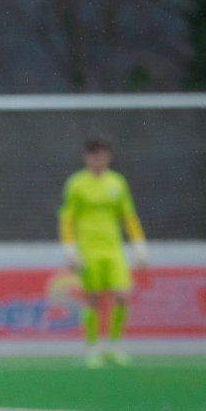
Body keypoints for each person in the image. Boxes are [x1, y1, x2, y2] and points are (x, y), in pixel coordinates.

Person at [58, 137, 147, 368]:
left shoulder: (117, 183)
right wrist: (69, 249)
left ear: (108, 157)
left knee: (122, 295)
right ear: (86, 157)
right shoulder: (76, 184)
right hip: (88, 250)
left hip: (113, 249)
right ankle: (93, 348)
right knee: (92, 299)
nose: (98, 160)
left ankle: (114, 346)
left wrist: (138, 244)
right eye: (94, 155)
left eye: (102, 155)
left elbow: (127, 216)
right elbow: (67, 219)